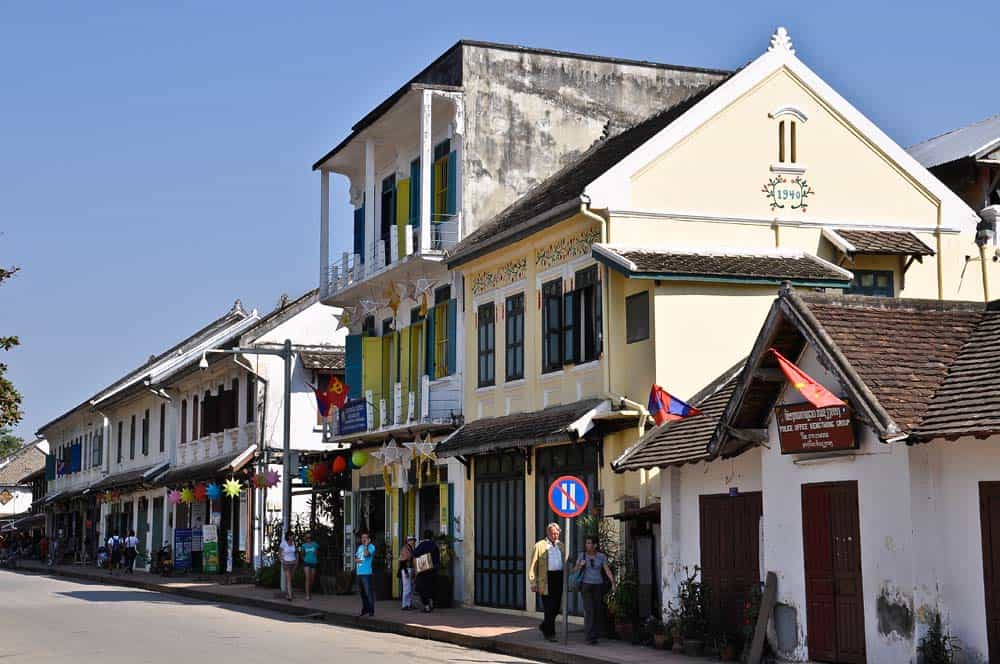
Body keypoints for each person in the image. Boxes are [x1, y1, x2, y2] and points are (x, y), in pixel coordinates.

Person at [575, 535, 616, 645]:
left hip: (598, 586)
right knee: (589, 611)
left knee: (597, 610)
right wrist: (580, 565)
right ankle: (589, 636)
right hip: (586, 585)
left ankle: (595, 634)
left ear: (595, 545)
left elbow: (607, 569)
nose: (587, 545)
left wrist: (613, 582)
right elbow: (574, 570)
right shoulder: (582, 555)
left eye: (589, 543)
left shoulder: (601, 557)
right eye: (586, 543)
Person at [529, 522, 565, 642]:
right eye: (553, 533)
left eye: (557, 533)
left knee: (556, 608)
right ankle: (550, 633)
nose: (555, 536)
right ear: (548, 533)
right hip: (546, 579)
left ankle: (545, 625)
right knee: (549, 607)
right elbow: (533, 565)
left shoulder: (561, 545)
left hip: (559, 577)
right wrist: (533, 582)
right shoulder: (539, 546)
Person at [412, 530, 440, 613]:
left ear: (424, 536)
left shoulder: (422, 544)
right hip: (432, 570)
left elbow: (414, 553)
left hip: (423, 570)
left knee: (422, 588)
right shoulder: (434, 545)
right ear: (432, 537)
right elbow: (437, 558)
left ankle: (426, 605)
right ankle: (432, 601)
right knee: (431, 587)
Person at [355, 532, 376, 617]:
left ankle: (371, 610)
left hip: (366, 573)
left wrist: (366, 545)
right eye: (362, 537)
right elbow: (356, 557)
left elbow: (366, 554)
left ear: (369, 539)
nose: (363, 539)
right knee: (362, 593)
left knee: (368, 593)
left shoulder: (371, 547)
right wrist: (357, 560)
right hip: (359, 572)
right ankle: (365, 609)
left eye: (365, 537)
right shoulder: (360, 547)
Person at [398, 534, 416, 610]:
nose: (412, 541)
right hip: (406, 569)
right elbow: (402, 561)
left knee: (411, 588)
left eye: (413, 540)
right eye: (411, 540)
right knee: (407, 588)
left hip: (411, 569)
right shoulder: (405, 548)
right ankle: (405, 605)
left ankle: (409, 604)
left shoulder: (412, 548)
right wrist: (406, 572)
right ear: (407, 541)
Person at [300, 531, 319, 601]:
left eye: (310, 537)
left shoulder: (315, 544)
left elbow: (317, 553)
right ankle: (307, 595)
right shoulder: (304, 545)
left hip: (314, 562)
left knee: (312, 579)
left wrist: (315, 559)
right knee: (307, 578)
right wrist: (304, 560)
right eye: (307, 537)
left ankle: (309, 591)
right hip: (306, 563)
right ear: (305, 538)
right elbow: (302, 554)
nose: (309, 539)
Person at [279, 531, 298, 601]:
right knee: (289, 579)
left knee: (290, 579)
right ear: (289, 536)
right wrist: (282, 560)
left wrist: (296, 561)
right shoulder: (283, 543)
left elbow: (296, 552)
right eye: (292, 536)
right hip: (286, 563)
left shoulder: (294, 543)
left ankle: (288, 593)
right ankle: (290, 596)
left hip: (293, 562)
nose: (293, 537)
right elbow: (280, 553)